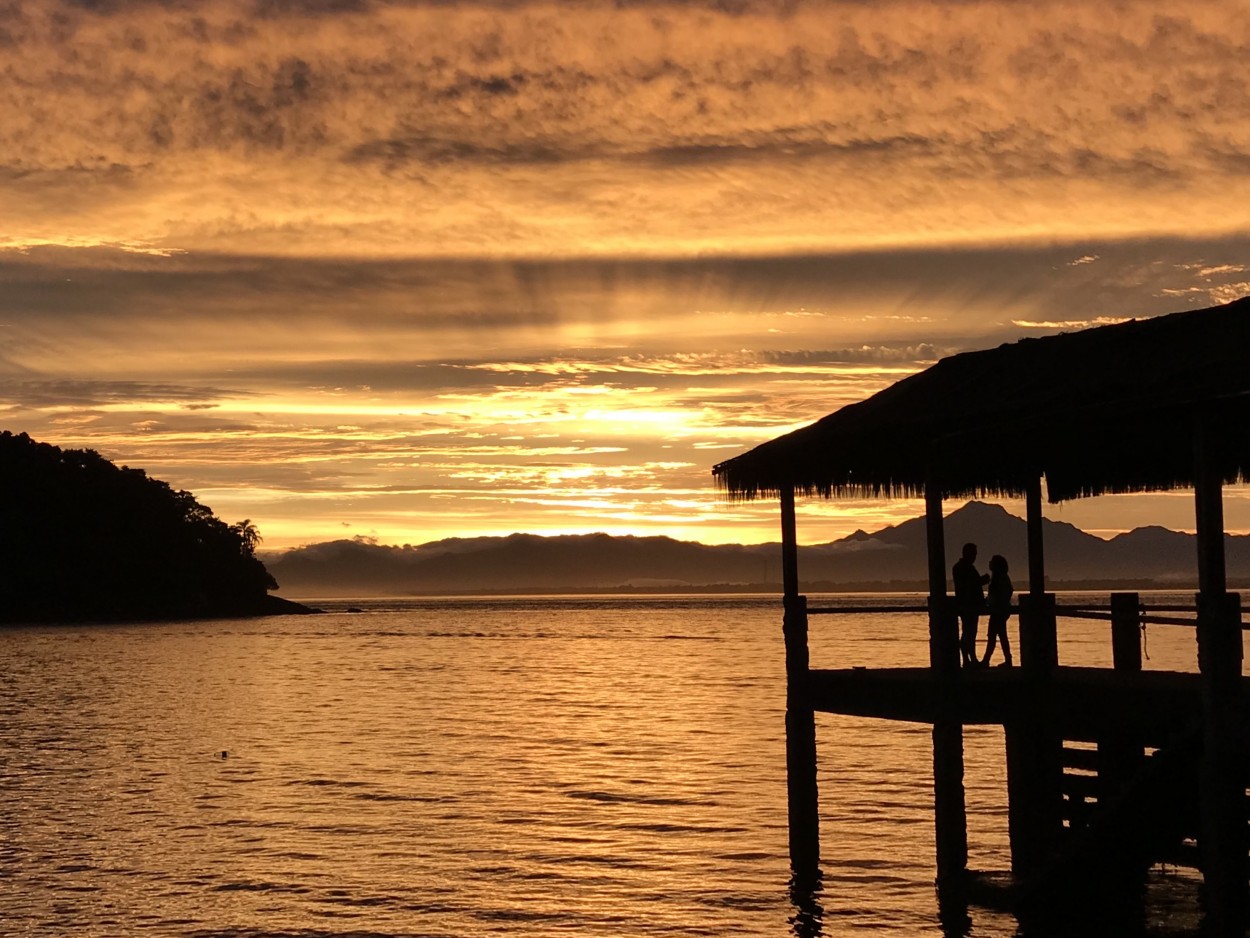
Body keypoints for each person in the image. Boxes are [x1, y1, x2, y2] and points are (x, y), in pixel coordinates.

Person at [952, 542, 989, 668]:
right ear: (967, 553)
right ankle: (969, 659)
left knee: (968, 632)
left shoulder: (959, 567)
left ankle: (969, 659)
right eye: (973, 554)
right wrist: (983, 580)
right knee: (969, 632)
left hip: (967, 604)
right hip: (969, 605)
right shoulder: (964, 568)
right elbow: (970, 585)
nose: (975, 557)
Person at [981, 554, 1014, 667]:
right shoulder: (1002, 577)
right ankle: (1008, 660)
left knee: (992, 635)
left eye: (991, 562)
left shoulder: (998, 578)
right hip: (1002, 610)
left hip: (998, 610)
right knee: (1001, 634)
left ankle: (986, 660)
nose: (989, 563)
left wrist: (991, 602)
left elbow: (996, 595)